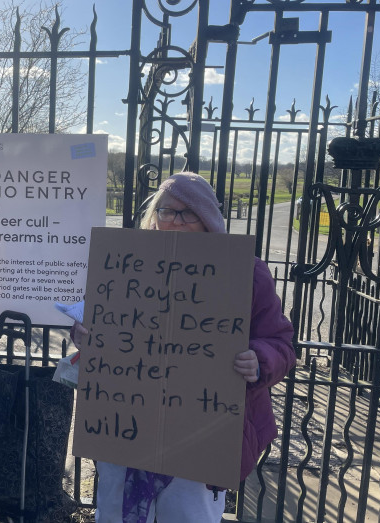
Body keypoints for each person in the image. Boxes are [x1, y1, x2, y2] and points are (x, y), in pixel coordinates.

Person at [71, 171, 296, 523]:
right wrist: (86, 335)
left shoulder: (245, 273)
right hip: (127, 425)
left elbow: (281, 343)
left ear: (207, 219)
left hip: (204, 433)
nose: (175, 220)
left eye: (187, 212)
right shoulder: (126, 266)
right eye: (166, 211)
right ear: (154, 216)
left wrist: (260, 359)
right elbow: (98, 325)